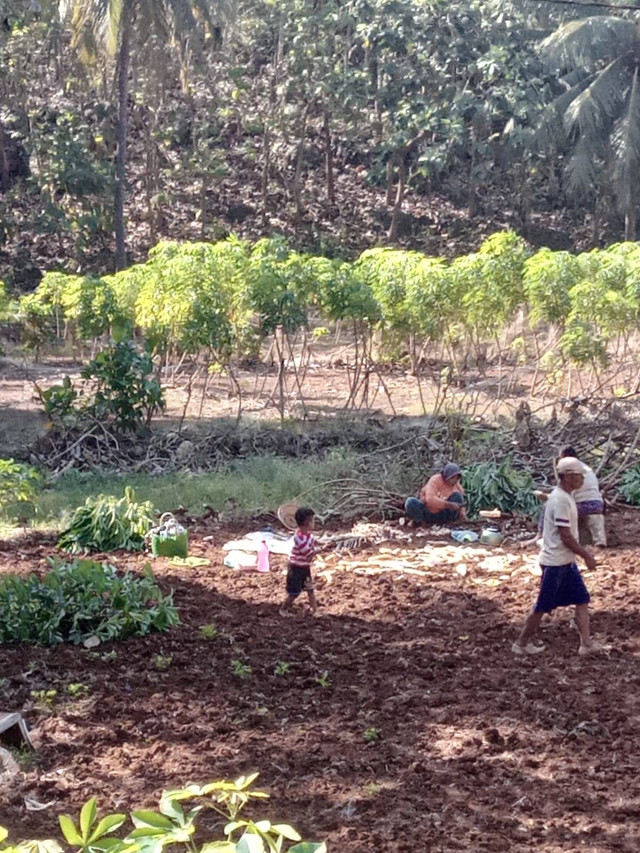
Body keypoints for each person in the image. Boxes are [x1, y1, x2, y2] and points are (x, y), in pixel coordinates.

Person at [513, 457, 602, 656]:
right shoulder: (561, 500)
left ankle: (585, 643)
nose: (582, 480)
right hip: (555, 563)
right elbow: (566, 536)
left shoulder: (563, 496)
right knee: (542, 605)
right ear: (568, 477)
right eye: (579, 476)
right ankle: (521, 643)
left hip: (565, 561)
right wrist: (586, 555)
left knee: (582, 599)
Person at [536, 445, 607, 547]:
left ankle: (541, 536)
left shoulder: (569, 472)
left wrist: (546, 496)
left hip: (581, 506)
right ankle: (598, 541)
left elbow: (564, 496)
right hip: (597, 504)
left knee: (548, 505)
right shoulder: (586, 468)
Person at [280, 507, 317, 616]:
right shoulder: (298, 538)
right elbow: (308, 553)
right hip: (296, 568)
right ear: (307, 522)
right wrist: (323, 549)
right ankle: (283, 609)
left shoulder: (308, 535)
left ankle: (314, 610)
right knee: (294, 592)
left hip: (304, 567)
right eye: (312, 520)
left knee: (310, 589)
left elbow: (313, 544)